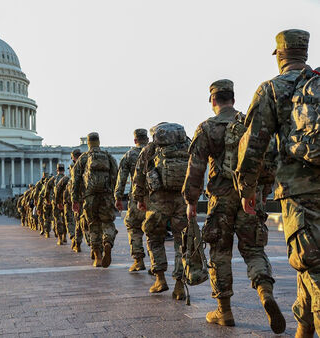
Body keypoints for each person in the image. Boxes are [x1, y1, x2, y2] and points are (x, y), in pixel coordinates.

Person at [182, 79, 285, 333]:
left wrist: (191, 201)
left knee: (220, 252)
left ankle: (224, 311)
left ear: (213, 101)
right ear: (234, 100)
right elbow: (267, 155)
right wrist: (261, 192)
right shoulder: (248, 123)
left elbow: (196, 168)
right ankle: (264, 293)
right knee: (253, 249)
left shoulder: (207, 128)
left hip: (221, 198)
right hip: (249, 195)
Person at [236, 29, 319, 337]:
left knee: (312, 263)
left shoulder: (272, 89)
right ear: (305, 54)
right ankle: (303, 328)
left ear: (280, 56)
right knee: (308, 263)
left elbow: (254, 145)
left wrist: (248, 189)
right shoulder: (318, 85)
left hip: (299, 194)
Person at [132, 122, 189, 298]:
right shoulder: (187, 144)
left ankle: (160, 279)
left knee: (154, 238)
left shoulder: (151, 148)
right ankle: (179, 284)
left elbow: (139, 174)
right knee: (182, 243)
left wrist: (139, 199)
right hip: (182, 200)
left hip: (158, 201)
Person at [71, 132, 118, 268]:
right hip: (106, 195)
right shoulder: (108, 157)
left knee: (93, 225)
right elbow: (116, 175)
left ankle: (97, 256)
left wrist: (75, 199)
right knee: (107, 223)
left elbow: (76, 180)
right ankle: (108, 243)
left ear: (88, 143)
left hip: (89, 197)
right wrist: (114, 194)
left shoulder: (83, 158)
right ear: (98, 141)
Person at [114, 128, 149, 272]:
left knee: (134, 227)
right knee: (154, 231)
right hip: (156, 197)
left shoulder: (129, 155)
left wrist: (118, 197)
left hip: (137, 197)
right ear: (147, 139)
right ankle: (156, 264)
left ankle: (138, 260)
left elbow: (121, 179)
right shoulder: (155, 152)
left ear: (135, 140)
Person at [45, 164, 67, 245]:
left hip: (56, 202)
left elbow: (47, 190)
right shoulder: (67, 178)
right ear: (64, 170)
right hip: (66, 202)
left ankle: (60, 238)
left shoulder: (53, 179)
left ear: (57, 170)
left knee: (58, 220)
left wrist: (48, 200)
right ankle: (65, 235)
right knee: (66, 219)